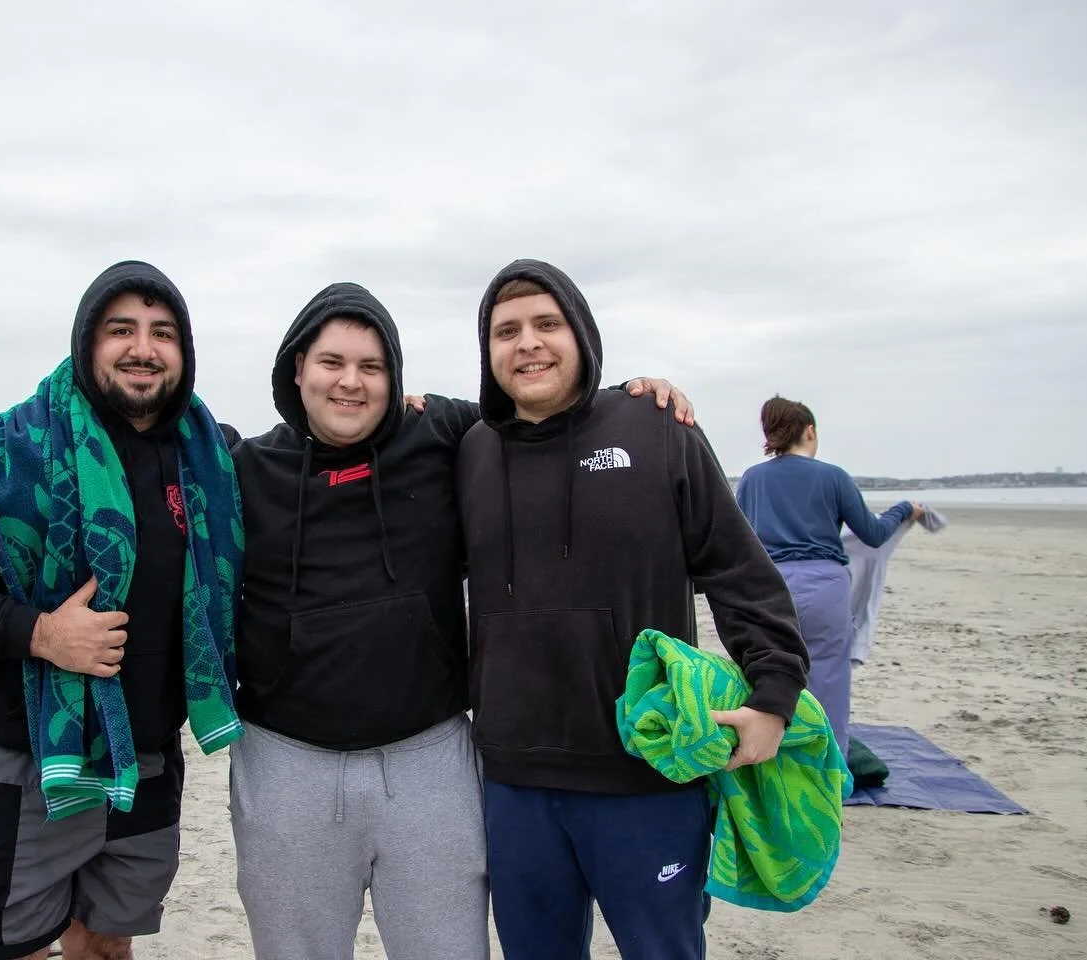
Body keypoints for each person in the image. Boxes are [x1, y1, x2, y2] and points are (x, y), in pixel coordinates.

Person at [229, 281, 694, 959]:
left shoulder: (442, 431)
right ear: (297, 368)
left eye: (372, 366)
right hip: (285, 762)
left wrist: (626, 398)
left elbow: (541, 406)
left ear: (395, 376)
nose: (351, 382)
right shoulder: (241, 469)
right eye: (332, 363)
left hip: (430, 758)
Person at [457, 260, 810, 960]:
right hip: (513, 780)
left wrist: (775, 696)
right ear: (487, 350)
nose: (528, 343)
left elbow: (738, 569)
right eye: (506, 331)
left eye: (547, 324)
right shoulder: (469, 451)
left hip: (646, 767)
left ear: (583, 334)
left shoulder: (656, 427)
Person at [0, 261, 245, 960]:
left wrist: (416, 409)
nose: (143, 348)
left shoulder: (213, 460)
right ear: (87, 341)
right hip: (13, 770)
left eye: (163, 333)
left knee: (107, 947)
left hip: (145, 767)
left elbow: (317, 454)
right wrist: (42, 634)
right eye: (121, 329)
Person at [735, 396, 923, 756]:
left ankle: (770, 762)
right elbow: (873, 534)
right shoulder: (833, 477)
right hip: (825, 587)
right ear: (810, 431)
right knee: (828, 681)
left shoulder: (752, 479)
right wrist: (903, 509)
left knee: (768, 675)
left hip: (770, 588)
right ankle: (830, 767)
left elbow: (739, 539)